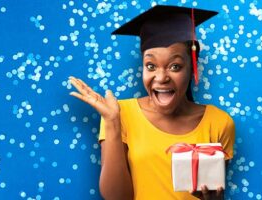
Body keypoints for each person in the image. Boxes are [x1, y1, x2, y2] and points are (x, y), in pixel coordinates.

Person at [69, 5, 235, 200]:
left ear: (192, 68)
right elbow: (116, 198)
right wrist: (112, 122)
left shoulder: (219, 122)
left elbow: (215, 195)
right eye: (151, 66)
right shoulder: (119, 113)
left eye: (175, 66)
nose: (161, 77)